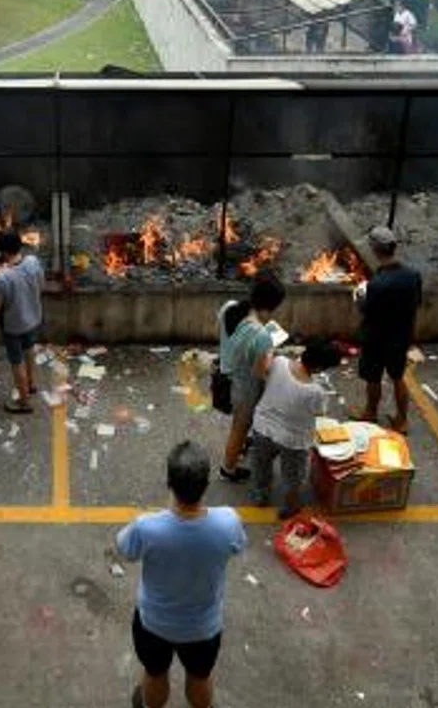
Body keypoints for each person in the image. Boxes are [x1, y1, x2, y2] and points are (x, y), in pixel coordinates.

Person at [116, 442, 247, 708]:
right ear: (205, 484)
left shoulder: (147, 526)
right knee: (200, 677)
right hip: (203, 627)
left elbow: (124, 549)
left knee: (154, 674)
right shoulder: (228, 522)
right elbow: (237, 546)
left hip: (153, 623)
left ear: (169, 483)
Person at [249, 338, 341, 517]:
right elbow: (319, 413)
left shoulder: (280, 363)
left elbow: (267, 372)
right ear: (319, 368)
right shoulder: (316, 392)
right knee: (293, 477)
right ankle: (289, 507)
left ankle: (260, 496)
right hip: (293, 440)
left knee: (261, 466)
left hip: (262, 427)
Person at [215, 276, 286, 483]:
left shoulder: (229, 307)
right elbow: (260, 373)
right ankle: (228, 467)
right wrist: (270, 352)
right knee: (240, 426)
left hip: (225, 373)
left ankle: (241, 448)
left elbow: (219, 334)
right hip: (244, 386)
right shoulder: (261, 335)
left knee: (240, 422)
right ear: (271, 306)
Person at [352, 226, 421, 432]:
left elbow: (368, 310)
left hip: (376, 337)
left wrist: (359, 298)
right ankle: (402, 420)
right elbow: (416, 302)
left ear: (375, 249)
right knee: (398, 377)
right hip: (401, 335)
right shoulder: (412, 275)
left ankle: (370, 412)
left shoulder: (378, 283)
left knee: (373, 377)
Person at [0, 228, 44, 415]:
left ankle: (24, 402)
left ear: (2, 251)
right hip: (33, 318)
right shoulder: (33, 262)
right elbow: (41, 285)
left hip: (13, 326)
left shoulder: (2, 277)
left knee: (16, 361)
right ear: (20, 245)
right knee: (29, 349)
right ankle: (32, 383)